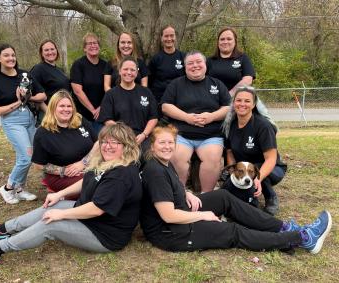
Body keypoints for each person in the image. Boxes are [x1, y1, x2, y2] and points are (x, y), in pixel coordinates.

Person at [0, 123, 142, 266]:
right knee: (53, 205)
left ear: (126, 146)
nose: (108, 146)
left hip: (105, 235)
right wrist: (60, 194)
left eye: (115, 143)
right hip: (93, 221)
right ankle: (2, 230)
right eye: (104, 142)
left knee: (51, 225)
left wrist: (62, 215)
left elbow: (96, 209)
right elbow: (87, 181)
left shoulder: (122, 174)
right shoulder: (106, 161)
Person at [140, 124, 332, 254]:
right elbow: (168, 216)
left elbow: (173, 186)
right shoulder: (154, 170)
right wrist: (203, 215)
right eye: (161, 143)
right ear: (152, 145)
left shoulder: (164, 162)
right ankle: (303, 237)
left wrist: (186, 193)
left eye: (170, 142)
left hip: (180, 211)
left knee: (224, 196)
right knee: (233, 232)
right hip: (171, 233)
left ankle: (284, 227)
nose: (167, 146)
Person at [0, 43, 46, 204]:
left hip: (29, 120)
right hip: (12, 122)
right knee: (26, 156)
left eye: (13, 55)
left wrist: (27, 98)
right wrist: (18, 102)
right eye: (6, 55)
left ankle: (20, 189)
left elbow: (42, 96)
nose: (11, 58)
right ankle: (8, 187)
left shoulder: (24, 74)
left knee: (26, 157)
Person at [161, 51, 230, 192]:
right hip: (182, 134)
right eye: (190, 63)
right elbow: (165, 106)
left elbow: (229, 107)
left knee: (212, 159)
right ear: (185, 67)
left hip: (211, 136)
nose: (195, 66)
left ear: (205, 65)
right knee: (177, 157)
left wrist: (212, 116)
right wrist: (187, 118)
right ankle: (180, 194)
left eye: (198, 62)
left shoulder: (217, 84)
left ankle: (206, 196)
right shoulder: (176, 84)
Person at [222, 85, 287, 215]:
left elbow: (271, 159)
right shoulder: (230, 124)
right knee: (231, 182)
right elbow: (229, 152)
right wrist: (232, 170)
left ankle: (270, 197)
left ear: (254, 105)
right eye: (238, 100)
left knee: (255, 170)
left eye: (247, 101)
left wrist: (258, 178)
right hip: (244, 169)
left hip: (271, 168)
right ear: (233, 103)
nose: (242, 104)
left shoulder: (263, 126)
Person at [32, 90, 98, 199]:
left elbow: (98, 142)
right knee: (93, 186)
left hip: (88, 166)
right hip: (63, 175)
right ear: (53, 108)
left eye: (69, 106)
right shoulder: (43, 133)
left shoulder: (79, 120)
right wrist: (64, 171)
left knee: (112, 178)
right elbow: (38, 165)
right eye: (61, 106)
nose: (66, 109)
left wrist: (83, 162)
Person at [98, 56, 158, 154]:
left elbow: (154, 117)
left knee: (151, 159)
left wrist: (144, 134)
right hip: (119, 138)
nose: (129, 73)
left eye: (132, 70)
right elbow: (107, 120)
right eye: (125, 69)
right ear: (120, 71)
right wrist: (125, 136)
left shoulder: (146, 92)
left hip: (142, 138)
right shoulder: (111, 94)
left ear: (137, 72)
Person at [70, 33, 107, 134]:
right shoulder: (78, 65)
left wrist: (101, 107)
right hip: (83, 116)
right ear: (84, 48)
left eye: (95, 43)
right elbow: (77, 91)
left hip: (102, 115)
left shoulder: (105, 65)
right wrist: (93, 110)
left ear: (99, 46)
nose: (93, 45)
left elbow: (109, 89)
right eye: (89, 43)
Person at [207, 27, 255, 96]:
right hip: (213, 100)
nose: (225, 42)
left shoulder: (243, 58)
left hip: (236, 100)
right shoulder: (209, 60)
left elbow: (248, 79)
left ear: (235, 42)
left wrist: (229, 94)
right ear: (218, 42)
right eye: (222, 39)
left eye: (229, 39)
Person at [148, 25, 186, 103]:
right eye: (166, 36)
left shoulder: (184, 57)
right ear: (161, 38)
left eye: (172, 36)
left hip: (180, 98)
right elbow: (150, 80)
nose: (169, 39)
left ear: (175, 37)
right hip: (160, 99)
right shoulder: (156, 59)